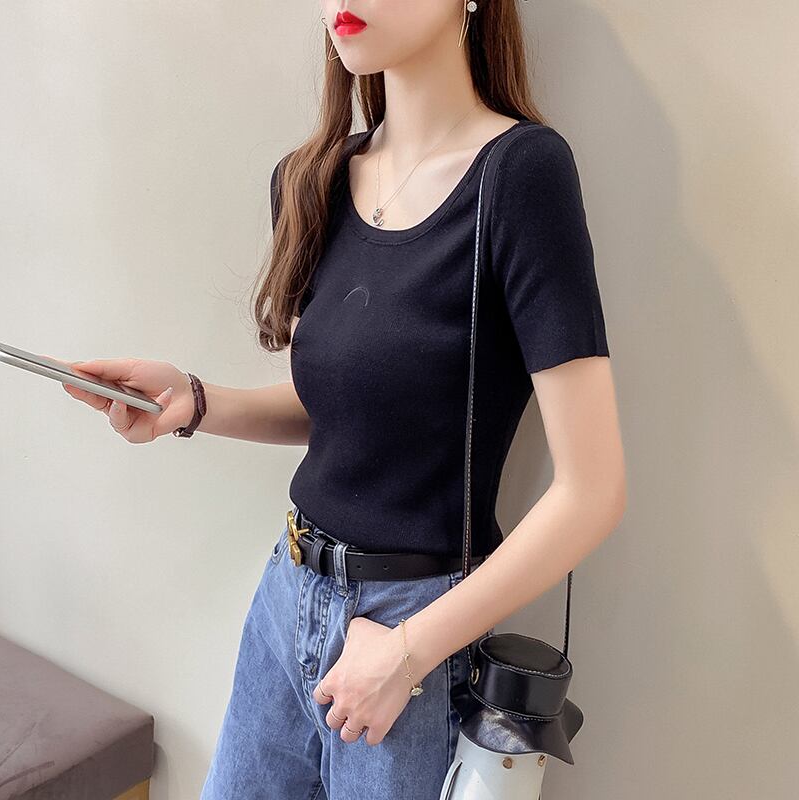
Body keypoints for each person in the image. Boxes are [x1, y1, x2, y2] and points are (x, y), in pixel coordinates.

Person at [60, 1, 626, 798]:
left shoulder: (521, 174)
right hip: (286, 594)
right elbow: (344, 408)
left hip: (414, 636)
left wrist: (407, 652)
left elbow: (592, 492)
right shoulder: (313, 178)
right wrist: (194, 401)